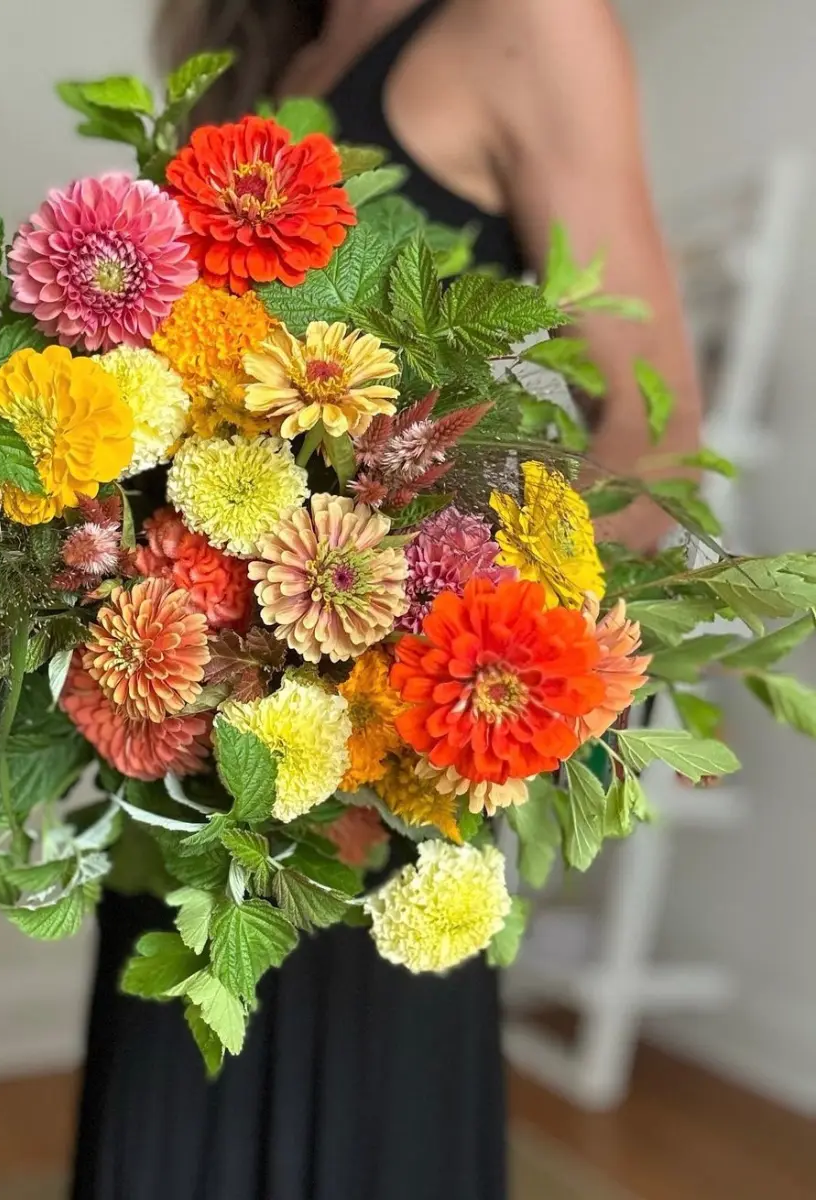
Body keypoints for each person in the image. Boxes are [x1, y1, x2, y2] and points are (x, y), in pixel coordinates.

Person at [70, 3, 702, 1197]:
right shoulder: (264, 46)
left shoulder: (533, 24)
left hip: (387, 729)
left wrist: (470, 648)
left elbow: (656, 427)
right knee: (172, 1069)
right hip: (185, 716)